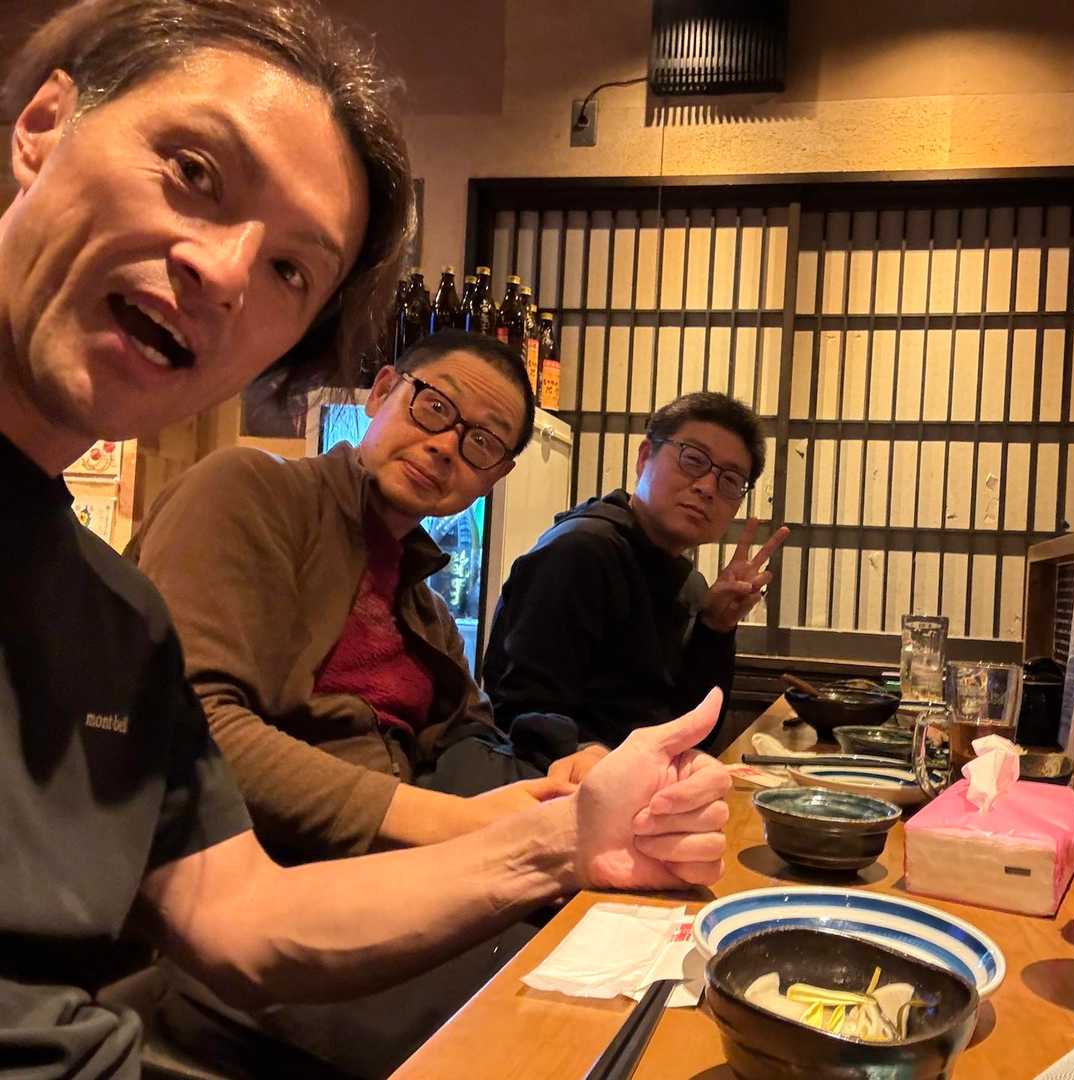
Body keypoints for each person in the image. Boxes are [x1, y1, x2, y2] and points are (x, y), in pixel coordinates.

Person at [0, 2, 730, 1077]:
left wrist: (560, 837)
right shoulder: (252, 492)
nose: (227, 271)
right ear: (42, 124)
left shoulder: (118, 615)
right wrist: (477, 829)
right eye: (196, 172)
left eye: (293, 271)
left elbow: (236, 909)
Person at [129, 331, 603, 867]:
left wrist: (568, 762)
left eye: (482, 442)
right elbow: (189, 724)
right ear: (381, 392)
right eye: (434, 407)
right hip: (246, 877)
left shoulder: (426, 611)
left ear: (496, 476)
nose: (445, 446)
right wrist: (452, 823)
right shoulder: (246, 491)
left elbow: (470, 736)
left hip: (398, 875)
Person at [483, 391, 789, 769]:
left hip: (646, 786)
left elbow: (689, 728)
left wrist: (714, 628)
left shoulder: (689, 582)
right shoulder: (581, 551)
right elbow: (522, 715)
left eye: (729, 480)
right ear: (645, 457)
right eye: (693, 460)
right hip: (562, 790)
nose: (707, 487)